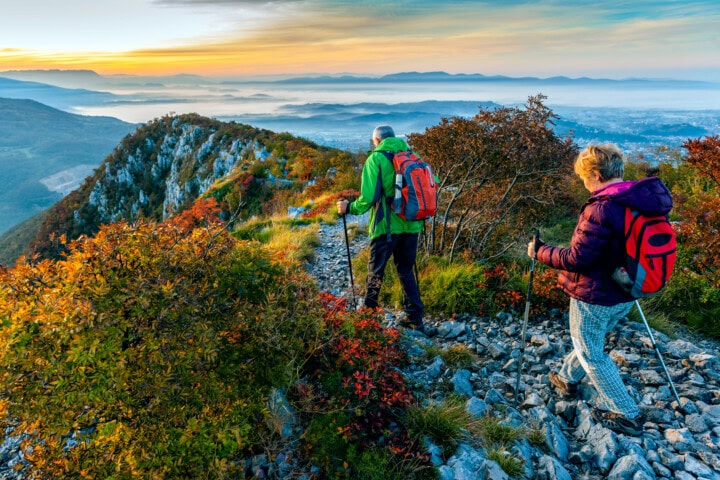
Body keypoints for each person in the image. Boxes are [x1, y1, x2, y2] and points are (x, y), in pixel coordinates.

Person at [527, 143, 672, 436]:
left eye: (584, 177)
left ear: (595, 173)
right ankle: (567, 378)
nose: (584, 183)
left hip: (595, 294)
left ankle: (625, 412)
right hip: (628, 290)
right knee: (589, 341)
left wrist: (540, 251)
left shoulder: (601, 207)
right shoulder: (640, 200)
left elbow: (577, 259)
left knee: (591, 351)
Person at [337, 125, 431, 334]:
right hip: (413, 224)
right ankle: (416, 318)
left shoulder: (376, 159)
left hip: (385, 227)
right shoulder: (414, 157)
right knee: (406, 270)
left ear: (377, 141)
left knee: (376, 271)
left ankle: (368, 318)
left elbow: (368, 199)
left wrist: (349, 208)